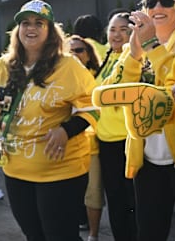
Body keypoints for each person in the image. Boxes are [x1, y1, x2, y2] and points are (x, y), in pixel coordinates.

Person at [0, 0, 98, 241]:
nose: (31, 28)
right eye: (25, 23)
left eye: (39, 23)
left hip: (60, 168)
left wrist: (66, 130)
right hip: (16, 168)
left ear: (50, 30)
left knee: (60, 236)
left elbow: (92, 108)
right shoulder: (1, 67)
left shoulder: (68, 66)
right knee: (34, 235)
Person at [95, 0, 175, 240]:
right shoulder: (138, 46)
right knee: (149, 234)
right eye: (150, 2)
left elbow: (173, 86)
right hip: (147, 160)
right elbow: (110, 95)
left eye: (167, 1)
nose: (157, 8)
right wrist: (133, 54)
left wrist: (152, 45)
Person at [95, 11, 136, 241]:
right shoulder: (103, 57)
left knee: (134, 204)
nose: (117, 34)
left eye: (124, 30)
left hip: (131, 141)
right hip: (106, 142)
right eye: (113, 29)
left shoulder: (137, 57)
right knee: (116, 202)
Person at [67, 35, 103, 240]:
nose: (74, 55)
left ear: (89, 54)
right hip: (65, 146)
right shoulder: (57, 76)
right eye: (70, 51)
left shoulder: (97, 77)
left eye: (79, 50)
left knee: (93, 194)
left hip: (93, 145)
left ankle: (93, 235)